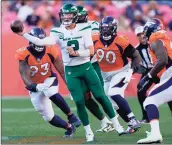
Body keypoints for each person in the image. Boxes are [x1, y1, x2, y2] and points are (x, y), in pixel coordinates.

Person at [14, 4, 126, 143]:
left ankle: (117, 126)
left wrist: (77, 53)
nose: (66, 17)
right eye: (64, 15)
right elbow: (42, 41)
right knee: (79, 102)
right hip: (71, 71)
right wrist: (23, 33)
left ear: (75, 16)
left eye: (68, 15)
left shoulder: (84, 28)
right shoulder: (57, 31)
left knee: (100, 96)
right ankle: (88, 133)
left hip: (86, 67)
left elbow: (91, 51)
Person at [15, 27, 81, 137]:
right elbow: (23, 74)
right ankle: (69, 127)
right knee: (48, 116)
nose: (40, 45)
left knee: (50, 92)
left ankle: (71, 116)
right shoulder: (23, 53)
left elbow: (62, 71)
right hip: (34, 85)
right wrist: (33, 86)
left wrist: (71, 87)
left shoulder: (50, 49)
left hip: (49, 78)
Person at [137, 18, 172, 144]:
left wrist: (148, 76)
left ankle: (155, 134)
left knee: (149, 101)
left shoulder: (155, 40)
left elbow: (163, 61)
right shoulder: (161, 38)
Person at [93, 16, 141, 132]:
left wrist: (131, 71)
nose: (105, 31)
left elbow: (136, 56)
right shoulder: (94, 39)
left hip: (121, 72)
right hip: (106, 76)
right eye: (103, 28)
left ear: (114, 29)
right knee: (113, 104)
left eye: (108, 29)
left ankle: (133, 118)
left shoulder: (120, 41)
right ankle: (131, 124)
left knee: (113, 93)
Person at [76, 5, 114, 133]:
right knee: (83, 98)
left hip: (92, 64)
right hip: (77, 66)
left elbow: (96, 43)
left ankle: (120, 120)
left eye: (78, 16)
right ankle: (105, 122)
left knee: (101, 95)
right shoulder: (68, 29)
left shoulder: (93, 25)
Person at [135, 26, 172, 123]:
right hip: (148, 71)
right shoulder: (137, 49)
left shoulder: (154, 43)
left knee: (167, 92)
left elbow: (162, 59)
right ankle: (146, 117)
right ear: (137, 37)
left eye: (142, 34)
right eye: (139, 35)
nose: (142, 36)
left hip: (158, 70)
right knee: (140, 91)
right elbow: (136, 64)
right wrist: (138, 69)